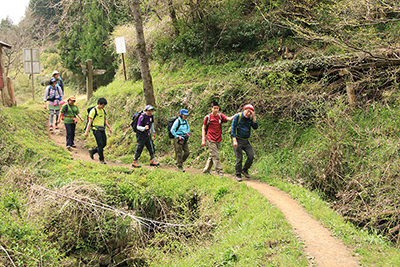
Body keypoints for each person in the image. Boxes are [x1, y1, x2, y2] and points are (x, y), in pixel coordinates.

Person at [201, 102, 233, 177]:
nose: (216, 110)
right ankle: (220, 172)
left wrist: (237, 115)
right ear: (211, 108)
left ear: (219, 108)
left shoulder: (220, 116)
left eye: (217, 108)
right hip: (210, 138)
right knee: (216, 156)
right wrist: (203, 139)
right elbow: (203, 128)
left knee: (212, 156)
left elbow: (229, 119)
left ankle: (206, 171)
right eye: (214, 108)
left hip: (218, 138)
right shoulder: (208, 117)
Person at [230, 104, 259, 182]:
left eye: (250, 112)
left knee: (251, 156)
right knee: (239, 158)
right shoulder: (237, 117)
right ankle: (238, 174)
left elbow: (255, 127)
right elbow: (233, 129)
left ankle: (244, 170)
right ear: (244, 110)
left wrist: (253, 117)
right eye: (247, 111)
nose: (248, 114)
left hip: (246, 141)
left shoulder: (250, 119)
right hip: (238, 140)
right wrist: (234, 140)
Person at [84, 97, 113, 164]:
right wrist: (86, 131)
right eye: (102, 105)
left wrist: (109, 127)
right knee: (100, 144)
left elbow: (104, 120)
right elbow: (89, 122)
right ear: (99, 104)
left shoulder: (103, 111)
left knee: (104, 143)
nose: (103, 106)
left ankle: (93, 151)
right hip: (96, 130)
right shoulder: (93, 111)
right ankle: (101, 159)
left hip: (102, 129)